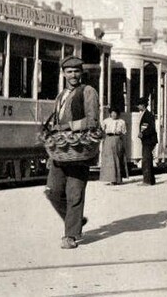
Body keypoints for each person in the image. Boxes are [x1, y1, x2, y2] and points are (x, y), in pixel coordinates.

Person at [45, 55, 99, 249]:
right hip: (61, 150)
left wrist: (67, 126)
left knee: (74, 193)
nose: (73, 75)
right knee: (52, 191)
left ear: (81, 72)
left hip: (78, 149)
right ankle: (75, 219)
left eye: (76, 71)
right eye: (69, 71)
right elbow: (55, 124)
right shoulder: (61, 96)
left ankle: (71, 235)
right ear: (64, 73)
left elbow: (92, 121)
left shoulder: (88, 92)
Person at [100, 108, 128, 185]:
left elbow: (124, 132)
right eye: (112, 113)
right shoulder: (106, 121)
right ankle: (111, 179)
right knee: (109, 159)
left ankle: (118, 179)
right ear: (110, 113)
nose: (114, 115)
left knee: (117, 158)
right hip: (108, 139)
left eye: (115, 113)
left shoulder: (122, 122)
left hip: (118, 139)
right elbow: (101, 130)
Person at [137, 96, 158, 186]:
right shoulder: (146, 114)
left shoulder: (148, 115)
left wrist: (143, 134)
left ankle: (147, 181)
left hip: (148, 140)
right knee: (148, 160)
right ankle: (151, 180)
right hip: (148, 140)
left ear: (143, 105)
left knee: (146, 160)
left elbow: (151, 128)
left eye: (139, 105)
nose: (138, 107)